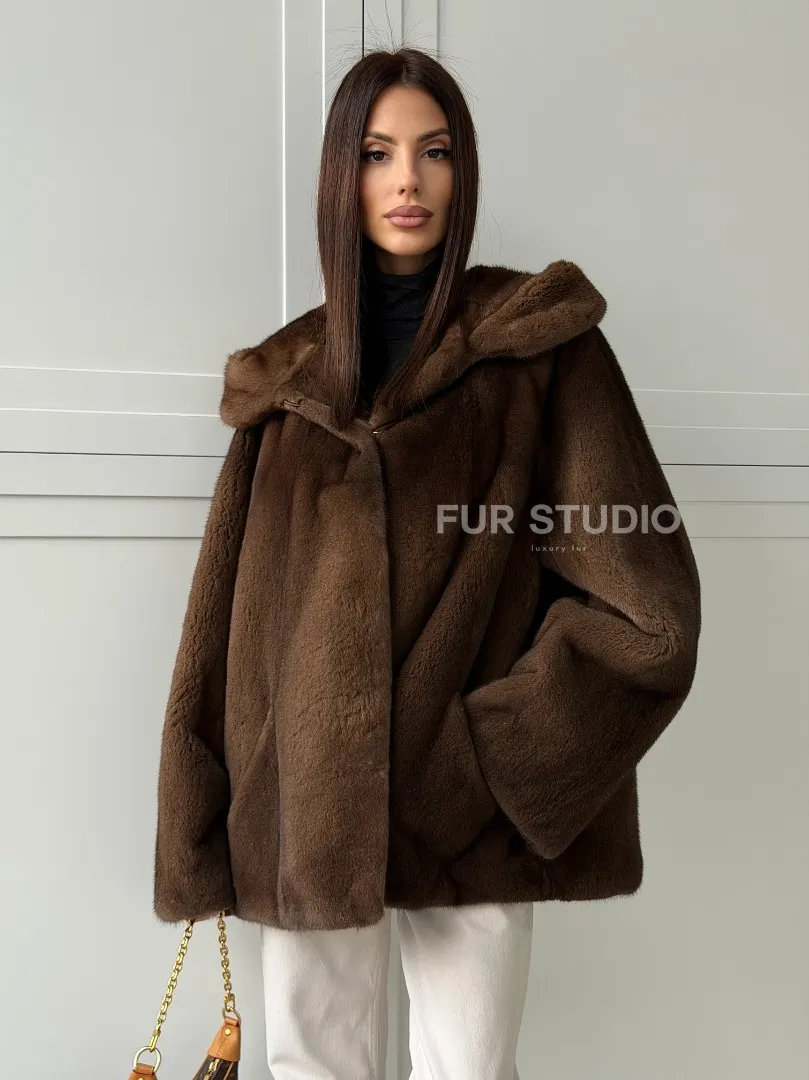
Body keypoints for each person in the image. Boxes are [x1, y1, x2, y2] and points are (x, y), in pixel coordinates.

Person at [151, 47, 702, 1080]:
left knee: (468, 1071)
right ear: (340, 175)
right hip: (304, 810)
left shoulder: (541, 353)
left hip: (468, 816)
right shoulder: (286, 385)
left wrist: (487, 760)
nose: (407, 179)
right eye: (376, 152)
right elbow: (222, 620)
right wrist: (209, 811)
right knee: (310, 1069)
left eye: (433, 151)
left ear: (462, 170)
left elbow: (648, 610)